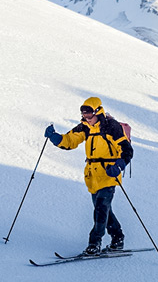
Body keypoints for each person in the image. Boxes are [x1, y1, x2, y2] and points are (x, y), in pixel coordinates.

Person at [45, 97, 134, 255]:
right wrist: (55, 138)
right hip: (92, 176)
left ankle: (94, 244)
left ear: (98, 111)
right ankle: (118, 239)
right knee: (104, 211)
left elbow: (126, 149)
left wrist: (119, 166)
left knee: (101, 209)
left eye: (89, 114)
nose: (86, 118)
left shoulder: (111, 127)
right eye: (84, 115)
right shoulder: (85, 127)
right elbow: (70, 140)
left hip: (109, 175)